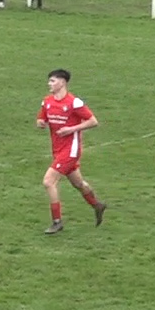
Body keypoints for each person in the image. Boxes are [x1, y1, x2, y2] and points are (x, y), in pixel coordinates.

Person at [37, 68, 105, 234]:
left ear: (62, 82)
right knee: (78, 183)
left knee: (48, 181)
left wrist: (71, 129)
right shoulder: (47, 102)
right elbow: (42, 118)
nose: (49, 84)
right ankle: (97, 205)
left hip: (70, 151)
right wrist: (40, 122)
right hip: (57, 149)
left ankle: (57, 221)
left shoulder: (74, 103)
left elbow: (93, 121)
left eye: (52, 81)